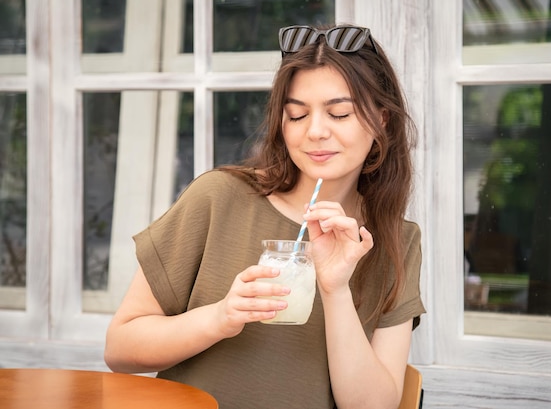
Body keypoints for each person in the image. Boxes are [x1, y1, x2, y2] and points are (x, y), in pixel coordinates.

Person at [104, 24, 425, 409]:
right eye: (296, 115)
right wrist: (220, 317)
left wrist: (336, 291)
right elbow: (119, 350)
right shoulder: (219, 197)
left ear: (382, 120)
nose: (315, 132)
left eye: (340, 113)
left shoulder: (394, 240)